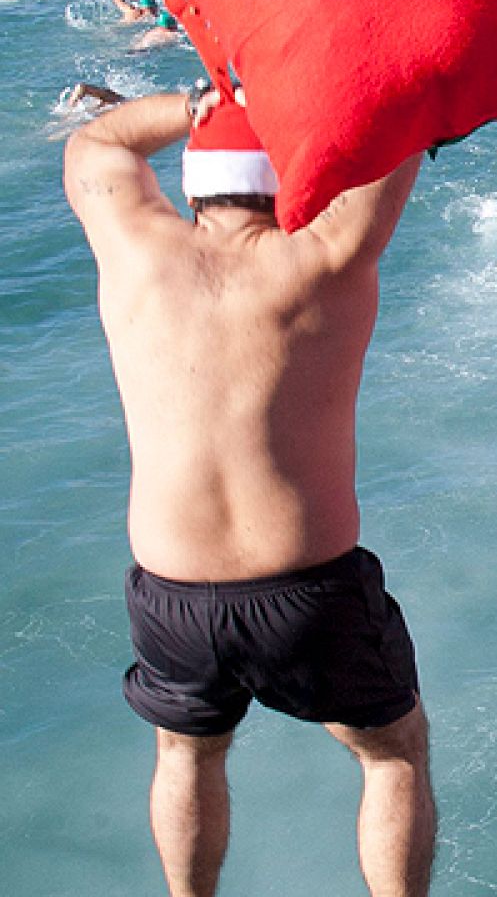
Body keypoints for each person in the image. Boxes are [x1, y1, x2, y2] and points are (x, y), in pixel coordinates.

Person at [63, 90, 433, 897]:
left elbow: (94, 147)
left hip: (171, 594)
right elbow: (408, 109)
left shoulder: (132, 250)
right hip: (309, 589)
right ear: (289, 184)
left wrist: (201, 101)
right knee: (391, 749)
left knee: (186, 752)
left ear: (192, 188)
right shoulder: (331, 252)